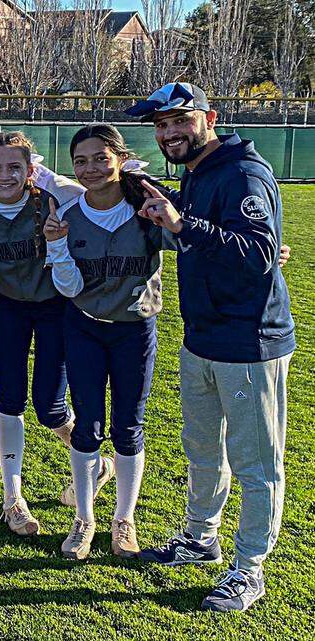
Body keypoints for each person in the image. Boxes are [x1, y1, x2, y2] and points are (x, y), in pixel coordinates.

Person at [125, 83, 295, 612]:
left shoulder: (243, 173)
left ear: (209, 118)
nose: (170, 132)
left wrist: (183, 223)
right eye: (161, 125)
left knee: (255, 463)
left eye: (181, 120)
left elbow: (259, 254)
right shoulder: (197, 173)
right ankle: (201, 538)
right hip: (202, 338)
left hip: (249, 343)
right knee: (202, 449)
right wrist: (168, 204)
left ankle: (250, 569)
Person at [0, 132, 109, 537]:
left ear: (30, 170)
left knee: (50, 407)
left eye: (14, 167)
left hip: (55, 307)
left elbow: (106, 195)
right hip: (7, 306)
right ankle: (13, 499)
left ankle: (94, 462)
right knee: (8, 399)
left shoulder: (55, 195)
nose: (4, 176)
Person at [43, 124, 174, 561]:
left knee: (128, 426)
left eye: (101, 158)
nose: (91, 168)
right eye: (80, 161)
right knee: (87, 425)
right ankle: (84, 518)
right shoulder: (68, 215)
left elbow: (191, 242)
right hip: (84, 327)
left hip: (134, 330)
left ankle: (124, 519)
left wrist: (266, 251)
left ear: (120, 158)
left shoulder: (145, 209)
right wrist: (57, 246)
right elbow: (68, 287)